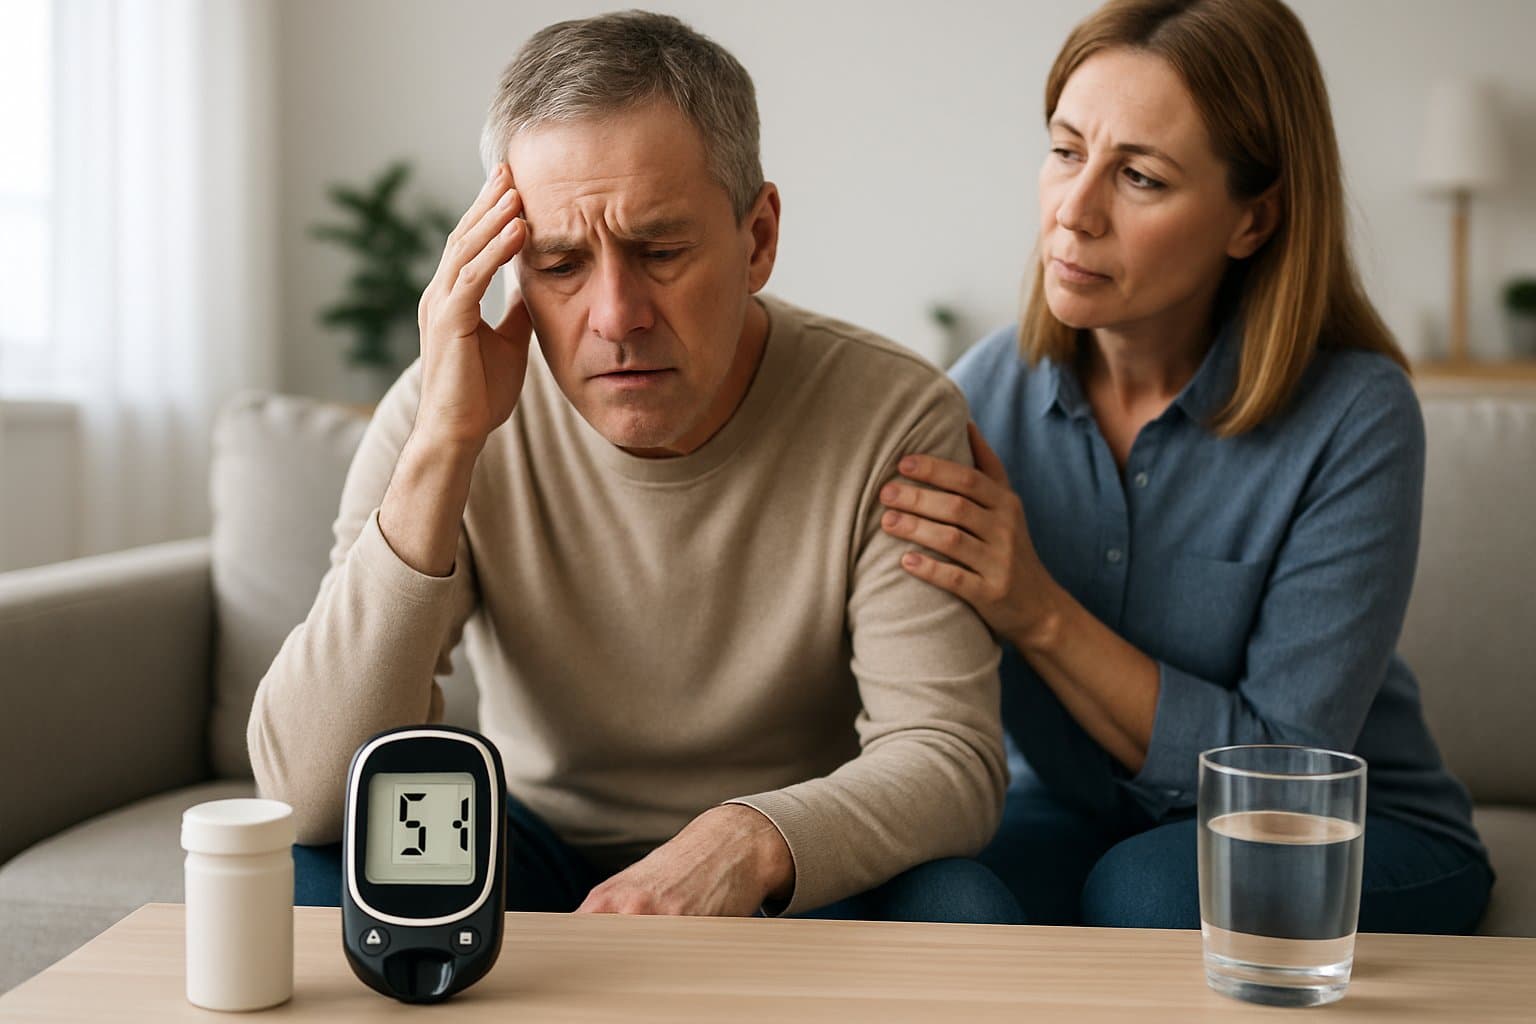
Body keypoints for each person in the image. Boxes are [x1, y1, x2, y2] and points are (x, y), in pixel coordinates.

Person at [247, 10, 1017, 924]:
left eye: (659, 251)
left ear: (758, 237)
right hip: (528, 844)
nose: (616, 315)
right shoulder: (443, 413)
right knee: (308, 878)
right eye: (561, 262)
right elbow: (305, 791)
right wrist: (443, 448)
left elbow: (949, 756)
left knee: (961, 901)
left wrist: (744, 840)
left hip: (791, 867)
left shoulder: (892, 414)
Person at [878, 0, 1492, 932]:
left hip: (1338, 827)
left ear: (1253, 221)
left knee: (1156, 891)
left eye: (1140, 177)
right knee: (935, 889)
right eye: (1065, 150)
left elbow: (1283, 772)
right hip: (1079, 813)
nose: (1074, 212)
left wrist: (1035, 609)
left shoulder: (1357, 417)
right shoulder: (977, 397)